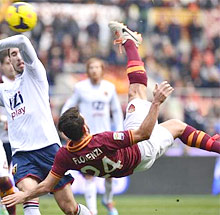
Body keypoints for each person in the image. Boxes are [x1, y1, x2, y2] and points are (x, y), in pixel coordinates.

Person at [2, 21, 220, 209]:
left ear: (66, 138)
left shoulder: (64, 156)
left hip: (126, 165)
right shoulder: (102, 139)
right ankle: (129, 42)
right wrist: (156, 103)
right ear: (86, 127)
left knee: (148, 103)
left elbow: (47, 186)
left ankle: (129, 41)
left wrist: (25, 194)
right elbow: (143, 134)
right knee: (170, 120)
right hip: (140, 151)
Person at [0, 35, 91, 215]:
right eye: (13, 54)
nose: (18, 57)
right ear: (8, 60)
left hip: (48, 149)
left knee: (70, 209)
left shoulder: (35, 73)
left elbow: (22, 40)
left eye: (19, 53)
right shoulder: (4, 91)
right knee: (28, 198)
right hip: (22, 155)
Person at [61, 57, 124, 215]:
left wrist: (121, 130)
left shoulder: (109, 87)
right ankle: (93, 212)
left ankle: (108, 200)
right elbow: (69, 106)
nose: (95, 70)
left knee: (111, 173)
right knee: (89, 174)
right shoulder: (80, 88)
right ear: (87, 70)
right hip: (87, 139)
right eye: (91, 67)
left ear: (103, 70)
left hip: (106, 136)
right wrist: (65, 124)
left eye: (97, 67)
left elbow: (116, 111)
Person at [0, 51, 16, 215]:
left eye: (12, 62)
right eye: (6, 63)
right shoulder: (1, 85)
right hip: (2, 139)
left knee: (9, 179)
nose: (10, 67)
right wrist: (5, 120)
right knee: (4, 178)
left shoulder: (24, 83)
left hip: (19, 140)